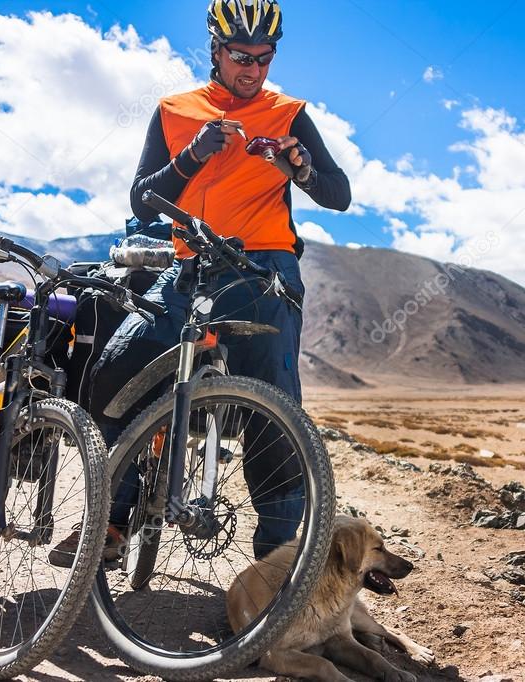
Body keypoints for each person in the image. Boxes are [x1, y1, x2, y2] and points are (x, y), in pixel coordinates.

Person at [49, 0, 350, 566]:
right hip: (189, 266)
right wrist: (191, 156)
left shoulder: (288, 112)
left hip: (263, 269)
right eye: (242, 57)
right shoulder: (174, 110)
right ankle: (113, 521)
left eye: (265, 58)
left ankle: (277, 560)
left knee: (274, 407)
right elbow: (141, 199)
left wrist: (302, 168)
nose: (254, 70)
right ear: (215, 50)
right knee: (116, 372)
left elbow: (339, 194)